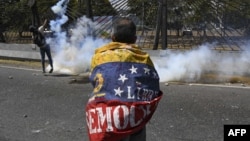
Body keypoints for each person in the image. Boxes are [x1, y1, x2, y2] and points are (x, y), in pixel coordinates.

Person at [86, 17, 163, 141]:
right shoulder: (143, 58)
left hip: (108, 118)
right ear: (134, 39)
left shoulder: (99, 57)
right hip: (134, 116)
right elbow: (151, 84)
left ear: (113, 37)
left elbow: (96, 83)